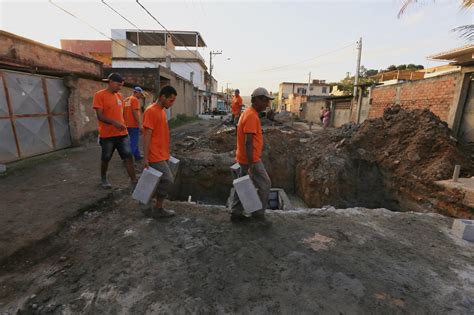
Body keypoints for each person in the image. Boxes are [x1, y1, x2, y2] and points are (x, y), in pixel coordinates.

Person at [231, 87, 273, 226]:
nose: (267, 104)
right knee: (265, 184)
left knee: (242, 185)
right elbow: (248, 142)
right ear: (256, 100)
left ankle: (236, 214)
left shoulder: (248, 113)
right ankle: (258, 215)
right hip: (251, 159)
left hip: (244, 158)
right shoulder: (251, 116)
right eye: (265, 101)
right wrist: (251, 164)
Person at [93, 73, 137, 189]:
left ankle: (134, 181)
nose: (120, 87)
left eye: (121, 85)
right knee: (106, 158)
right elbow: (100, 116)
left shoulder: (119, 96)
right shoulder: (99, 95)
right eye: (118, 85)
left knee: (128, 157)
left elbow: (120, 114)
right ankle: (103, 178)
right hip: (107, 135)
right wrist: (114, 123)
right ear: (111, 82)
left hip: (122, 134)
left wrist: (122, 123)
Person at [142, 86, 178, 218]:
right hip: (154, 155)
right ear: (162, 97)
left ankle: (149, 204)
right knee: (168, 180)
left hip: (162, 154)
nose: (172, 103)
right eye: (171, 100)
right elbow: (146, 136)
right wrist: (145, 158)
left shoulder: (162, 111)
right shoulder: (151, 111)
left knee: (158, 180)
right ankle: (157, 208)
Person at [124, 86, 144, 161]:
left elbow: (122, 112)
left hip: (126, 124)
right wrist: (140, 124)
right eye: (140, 94)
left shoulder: (126, 100)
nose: (141, 96)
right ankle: (128, 159)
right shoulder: (135, 100)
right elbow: (135, 113)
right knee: (134, 141)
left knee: (132, 140)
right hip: (133, 125)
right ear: (137, 92)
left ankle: (137, 155)